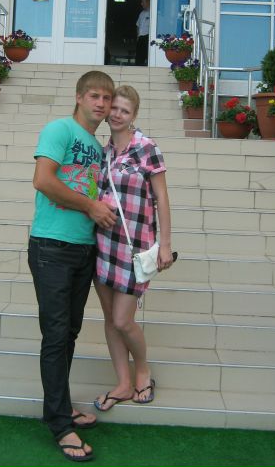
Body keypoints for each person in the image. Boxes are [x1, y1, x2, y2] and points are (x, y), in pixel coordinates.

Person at [28, 70, 117, 462]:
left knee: (69, 333)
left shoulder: (97, 147)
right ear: (79, 97)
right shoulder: (59, 129)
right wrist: (91, 206)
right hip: (52, 245)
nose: (101, 103)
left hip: (83, 249)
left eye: (107, 98)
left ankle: (60, 407)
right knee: (56, 334)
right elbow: (43, 180)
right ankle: (60, 424)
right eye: (95, 95)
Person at [93, 85, 176, 411]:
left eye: (124, 111)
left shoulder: (146, 147)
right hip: (103, 246)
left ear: (134, 115)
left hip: (134, 248)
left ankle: (142, 371)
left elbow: (162, 198)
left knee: (123, 320)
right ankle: (123, 382)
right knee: (110, 319)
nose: (116, 114)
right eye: (114, 108)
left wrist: (164, 244)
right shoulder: (103, 152)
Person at [135, 0, 150, 66]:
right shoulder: (141, 13)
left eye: (143, 2)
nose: (141, 4)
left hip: (147, 38)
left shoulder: (152, 13)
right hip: (140, 38)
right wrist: (137, 36)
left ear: (148, 2)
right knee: (138, 59)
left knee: (147, 57)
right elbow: (138, 25)